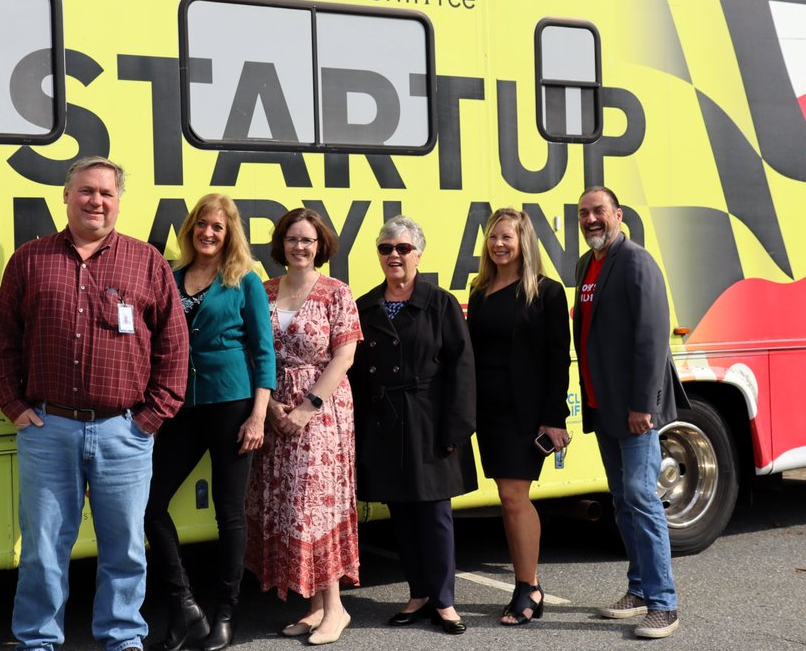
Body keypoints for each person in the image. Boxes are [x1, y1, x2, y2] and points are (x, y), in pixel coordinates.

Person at [0, 156, 189, 651]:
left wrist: (151, 418)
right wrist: (15, 406)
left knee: (123, 549)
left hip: (125, 432)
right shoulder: (30, 260)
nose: (95, 200)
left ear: (118, 201)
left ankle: (122, 637)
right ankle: (38, 639)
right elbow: (3, 340)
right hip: (48, 428)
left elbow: (174, 346)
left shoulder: (147, 262)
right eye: (85, 191)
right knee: (42, 549)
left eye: (105, 192)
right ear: (66, 195)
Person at [143, 194, 276, 651]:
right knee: (149, 502)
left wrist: (258, 415)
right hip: (181, 406)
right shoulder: (172, 276)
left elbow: (263, 351)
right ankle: (185, 606)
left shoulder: (244, 280)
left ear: (229, 232)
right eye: (202, 224)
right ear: (191, 228)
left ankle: (225, 614)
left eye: (218, 227)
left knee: (229, 512)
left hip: (232, 404)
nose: (208, 233)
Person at [349, 216, 477, 636]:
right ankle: (418, 593)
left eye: (402, 248)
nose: (394, 256)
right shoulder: (365, 305)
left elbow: (462, 368)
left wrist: (457, 428)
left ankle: (444, 601)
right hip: (384, 421)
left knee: (434, 512)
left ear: (418, 254)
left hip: (430, 419)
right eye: (386, 249)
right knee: (401, 511)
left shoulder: (440, 303)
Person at [244, 208, 363, 647]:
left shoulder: (336, 292)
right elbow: (254, 350)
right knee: (288, 506)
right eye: (293, 239)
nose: (300, 247)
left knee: (316, 507)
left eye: (308, 240)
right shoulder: (264, 290)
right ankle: (313, 607)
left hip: (322, 412)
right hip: (272, 408)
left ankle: (336, 609)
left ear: (321, 246)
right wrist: (272, 407)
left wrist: (305, 409)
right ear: (281, 244)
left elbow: (343, 357)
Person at [573, 185, 688, 640]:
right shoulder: (588, 264)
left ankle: (664, 604)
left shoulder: (636, 261)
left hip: (634, 409)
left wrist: (645, 404)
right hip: (605, 406)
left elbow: (651, 337)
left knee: (641, 497)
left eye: (598, 211)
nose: (590, 219)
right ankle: (638, 589)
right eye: (583, 213)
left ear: (618, 214)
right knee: (622, 500)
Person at [467, 208, 571, 625]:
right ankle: (525, 582)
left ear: (523, 241)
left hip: (524, 414)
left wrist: (554, 417)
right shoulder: (481, 289)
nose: (498, 244)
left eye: (507, 237)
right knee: (507, 499)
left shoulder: (546, 292)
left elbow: (556, 360)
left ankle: (528, 586)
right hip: (487, 412)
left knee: (514, 498)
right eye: (493, 237)